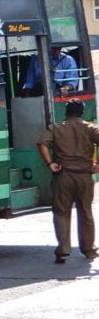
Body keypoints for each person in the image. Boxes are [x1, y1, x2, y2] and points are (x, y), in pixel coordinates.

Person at [37, 98, 99, 264]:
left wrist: (50, 164)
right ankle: (89, 249)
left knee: (61, 212)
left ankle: (63, 250)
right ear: (82, 112)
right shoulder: (90, 128)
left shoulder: (56, 128)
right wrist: (98, 165)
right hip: (84, 176)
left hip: (63, 176)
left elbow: (41, 143)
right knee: (85, 211)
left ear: (66, 112)